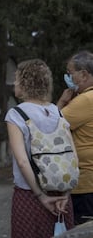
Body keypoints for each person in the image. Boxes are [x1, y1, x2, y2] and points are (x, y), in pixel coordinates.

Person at [5, 59, 75, 238]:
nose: (14, 83)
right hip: (60, 193)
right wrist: (66, 194)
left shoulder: (16, 114)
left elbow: (21, 161)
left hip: (30, 194)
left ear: (26, 83)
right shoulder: (56, 111)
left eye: (17, 79)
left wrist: (41, 196)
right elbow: (71, 154)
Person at [57, 50, 93, 225]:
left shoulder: (85, 100)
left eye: (71, 73)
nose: (68, 77)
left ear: (84, 74)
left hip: (86, 184)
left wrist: (63, 101)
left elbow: (52, 126)